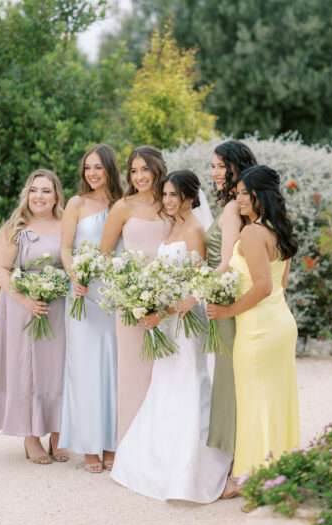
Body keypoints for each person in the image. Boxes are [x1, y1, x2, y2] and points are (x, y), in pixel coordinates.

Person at [111, 170, 231, 502]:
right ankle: (155, 463)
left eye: (174, 195)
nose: (167, 200)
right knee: (165, 382)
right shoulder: (172, 226)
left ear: (191, 197)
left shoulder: (193, 231)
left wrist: (160, 312)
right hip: (168, 320)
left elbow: (195, 288)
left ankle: (190, 471)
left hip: (184, 322)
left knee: (189, 382)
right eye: (165, 195)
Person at [207, 165, 300, 487]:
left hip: (258, 329)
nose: (238, 197)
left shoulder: (251, 233)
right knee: (277, 402)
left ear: (260, 195)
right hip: (281, 323)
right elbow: (281, 282)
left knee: (253, 404)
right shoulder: (279, 229)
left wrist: (227, 309)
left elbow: (262, 287)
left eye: (245, 192)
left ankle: (255, 481)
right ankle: (280, 473)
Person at [0, 169, 68, 465]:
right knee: (28, 368)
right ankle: (31, 436)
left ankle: (59, 432)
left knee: (58, 366)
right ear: (27, 194)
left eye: (46, 190)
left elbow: (73, 262)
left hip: (58, 307)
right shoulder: (15, 227)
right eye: (34, 190)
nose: (39, 196)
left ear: (57, 195)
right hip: (22, 307)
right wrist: (25, 299)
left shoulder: (66, 225)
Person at [59, 145, 123, 473]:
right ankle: (89, 446)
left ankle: (111, 441)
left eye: (98, 167)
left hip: (111, 295)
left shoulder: (121, 205)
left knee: (112, 366)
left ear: (110, 169)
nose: (92, 173)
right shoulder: (76, 204)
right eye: (87, 168)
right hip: (83, 293)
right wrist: (75, 276)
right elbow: (65, 248)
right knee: (84, 368)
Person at [100, 146, 171, 442]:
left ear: (158, 169)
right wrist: (128, 292)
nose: (139, 176)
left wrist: (168, 293)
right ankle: (130, 444)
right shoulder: (123, 207)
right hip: (130, 303)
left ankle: (162, 443)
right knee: (134, 372)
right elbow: (104, 254)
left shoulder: (171, 204)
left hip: (168, 302)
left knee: (167, 373)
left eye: (145, 169)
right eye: (133, 170)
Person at [207, 141, 257, 473]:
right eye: (212, 166)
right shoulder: (235, 206)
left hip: (224, 298)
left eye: (219, 166)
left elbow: (226, 262)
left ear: (234, 168)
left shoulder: (230, 209)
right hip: (226, 295)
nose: (213, 172)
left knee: (229, 380)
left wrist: (195, 288)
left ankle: (237, 462)